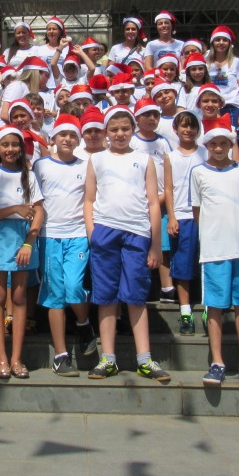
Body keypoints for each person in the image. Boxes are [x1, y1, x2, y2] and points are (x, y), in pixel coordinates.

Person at [85, 106, 170, 382]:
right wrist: (92, 234)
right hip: (105, 232)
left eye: (125, 129)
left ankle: (145, 359)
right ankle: (107, 358)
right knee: (106, 297)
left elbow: (153, 202)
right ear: (106, 132)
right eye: (114, 129)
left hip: (137, 233)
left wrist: (156, 245)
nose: (120, 134)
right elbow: (89, 199)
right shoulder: (96, 159)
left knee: (135, 296)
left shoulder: (145, 159)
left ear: (133, 130)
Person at [189, 115, 239, 386]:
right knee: (215, 307)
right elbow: (197, 212)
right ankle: (217, 361)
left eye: (224, 143)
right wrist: (212, 236)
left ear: (231, 144)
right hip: (214, 251)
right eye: (214, 144)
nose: (219, 148)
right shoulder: (198, 172)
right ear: (207, 145)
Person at [32, 114, 97, 376]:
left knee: (73, 287)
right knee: (55, 294)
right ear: (54, 138)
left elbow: (92, 199)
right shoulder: (40, 165)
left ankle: (83, 323)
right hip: (49, 236)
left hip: (78, 234)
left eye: (72, 135)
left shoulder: (86, 165)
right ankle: (61, 355)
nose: (67, 139)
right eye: (63, 135)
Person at [0, 125, 44, 379]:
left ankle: (17, 358)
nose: (10, 149)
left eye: (15, 145)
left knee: (19, 297)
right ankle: (1, 357)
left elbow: (39, 211)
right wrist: (15, 209)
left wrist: (30, 241)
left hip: (23, 242)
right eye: (5, 145)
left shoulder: (29, 175)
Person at [129, 97, 176, 304]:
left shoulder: (163, 141)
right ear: (137, 119)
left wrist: (162, 198)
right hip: (136, 204)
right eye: (146, 115)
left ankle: (167, 288)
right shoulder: (132, 140)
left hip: (161, 202)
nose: (152, 118)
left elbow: (169, 173)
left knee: (163, 247)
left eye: (155, 115)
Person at [168, 111, 205, 335]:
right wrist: (171, 216)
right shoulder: (170, 157)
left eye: (192, 126)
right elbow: (169, 188)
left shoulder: (205, 152)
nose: (188, 130)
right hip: (182, 214)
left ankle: (210, 306)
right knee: (182, 264)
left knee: (208, 262)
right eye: (183, 126)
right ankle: (185, 311)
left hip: (206, 215)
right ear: (176, 129)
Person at [206, 25, 239, 134]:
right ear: (212, 43)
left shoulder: (237, 62)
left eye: (225, 40)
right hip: (212, 107)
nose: (221, 42)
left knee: (236, 142)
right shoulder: (206, 63)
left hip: (232, 107)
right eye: (217, 40)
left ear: (229, 43)